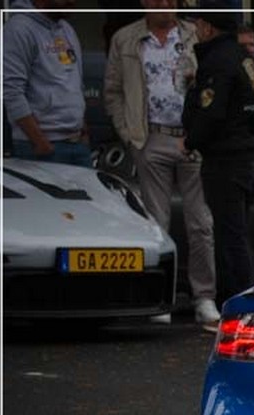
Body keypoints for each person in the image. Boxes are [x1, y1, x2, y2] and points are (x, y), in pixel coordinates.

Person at [105, 0, 220, 330]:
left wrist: (203, 130)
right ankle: (161, 296)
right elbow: (113, 91)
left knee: (201, 223)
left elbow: (214, 81)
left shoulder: (194, 34)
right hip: (150, 137)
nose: (165, 5)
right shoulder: (126, 38)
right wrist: (129, 134)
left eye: (170, 0)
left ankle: (204, 297)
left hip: (192, 137)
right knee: (156, 223)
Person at [182, 3, 254, 305]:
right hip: (247, 156)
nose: (195, 29)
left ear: (208, 27)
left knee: (230, 239)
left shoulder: (217, 61)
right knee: (241, 235)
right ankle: (249, 299)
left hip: (225, 161)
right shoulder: (246, 59)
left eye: (198, 24)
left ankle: (241, 305)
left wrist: (190, 141)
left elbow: (211, 112)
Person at [0, 0, 90, 166]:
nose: (72, 1)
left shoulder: (66, 29)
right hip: (42, 147)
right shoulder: (17, 30)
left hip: (76, 142)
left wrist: (83, 129)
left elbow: (74, 83)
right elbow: (11, 92)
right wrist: (40, 142)